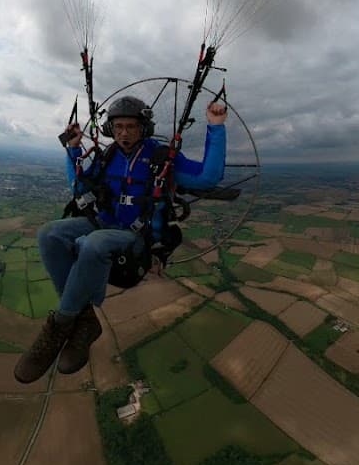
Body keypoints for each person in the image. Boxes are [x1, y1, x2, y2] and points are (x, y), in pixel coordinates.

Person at [14, 95, 227, 384]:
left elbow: (207, 178)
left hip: (137, 237)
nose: (124, 133)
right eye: (118, 127)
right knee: (49, 235)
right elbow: (79, 185)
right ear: (109, 130)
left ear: (144, 128)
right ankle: (85, 322)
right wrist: (74, 150)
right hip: (104, 222)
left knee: (94, 243)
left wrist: (216, 126)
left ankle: (59, 326)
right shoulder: (109, 156)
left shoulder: (160, 158)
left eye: (131, 126)